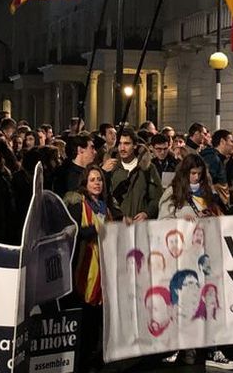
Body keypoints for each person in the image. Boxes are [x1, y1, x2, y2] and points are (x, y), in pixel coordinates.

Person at [157, 155, 233, 371]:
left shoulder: (208, 192)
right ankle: (184, 347)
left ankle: (212, 348)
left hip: (207, 257)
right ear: (184, 174)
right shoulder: (173, 193)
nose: (196, 177)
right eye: (192, 173)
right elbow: (161, 223)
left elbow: (221, 218)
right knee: (184, 303)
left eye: (199, 174)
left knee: (210, 300)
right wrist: (182, 221)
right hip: (183, 258)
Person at [65, 165, 115, 371]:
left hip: (103, 269)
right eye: (93, 179)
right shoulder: (79, 205)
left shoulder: (105, 206)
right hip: (84, 269)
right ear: (85, 183)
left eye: (99, 180)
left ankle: (96, 357)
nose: (97, 183)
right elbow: (73, 233)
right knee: (86, 320)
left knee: (98, 321)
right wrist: (95, 229)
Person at [108, 128, 162, 223]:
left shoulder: (147, 168)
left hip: (140, 225)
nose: (122, 148)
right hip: (117, 225)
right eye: (120, 144)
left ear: (135, 145)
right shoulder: (111, 168)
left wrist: (147, 213)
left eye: (126, 144)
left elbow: (157, 196)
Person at [51, 133, 95, 198]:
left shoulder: (85, 170)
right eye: (92, 148)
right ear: (80, 150)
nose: (95, 152)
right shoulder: (69, 175)